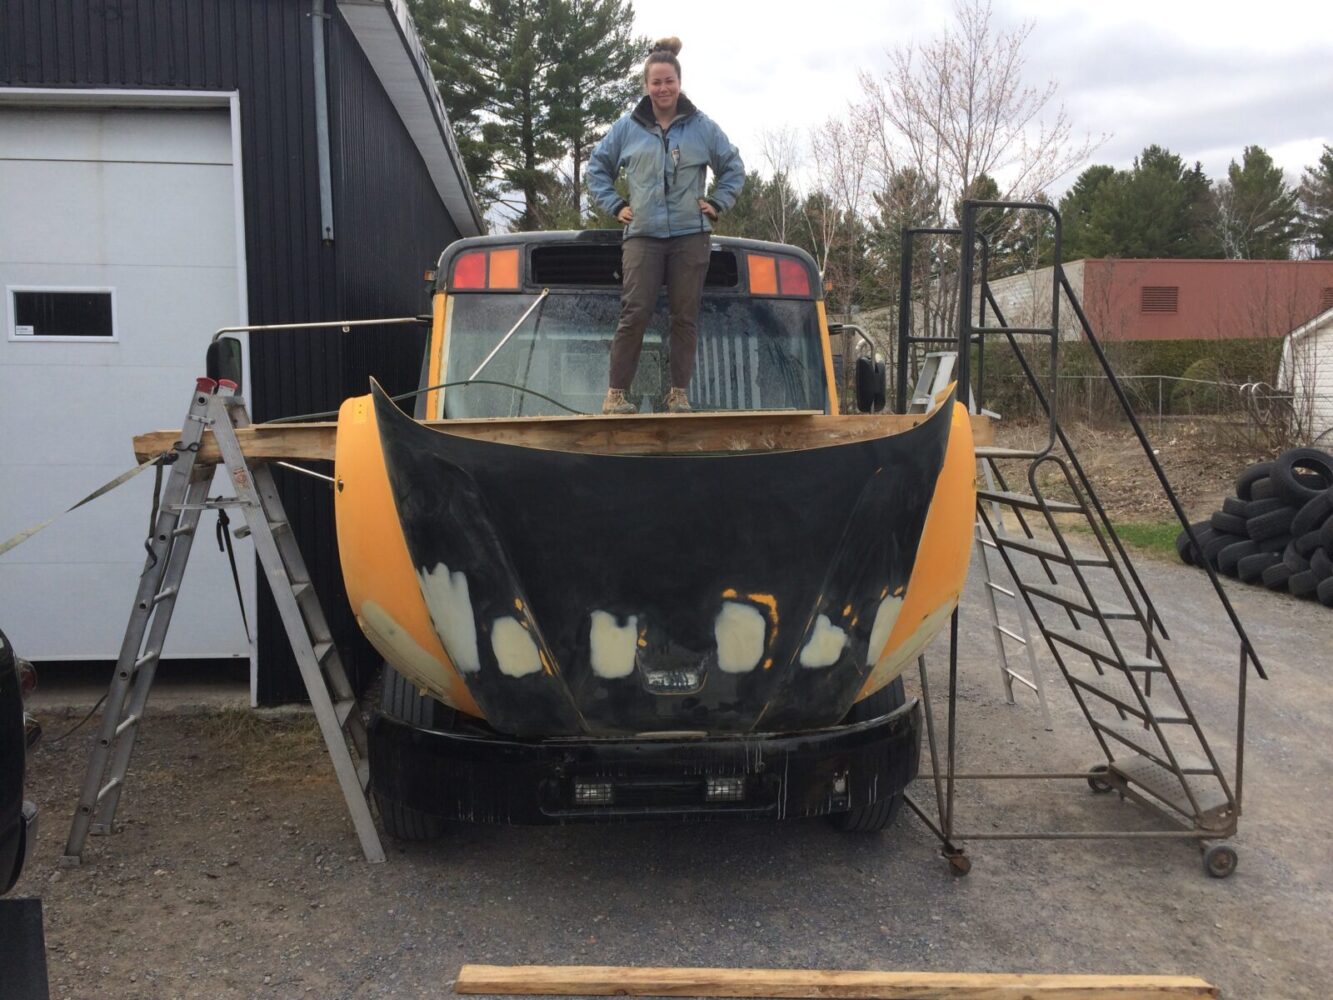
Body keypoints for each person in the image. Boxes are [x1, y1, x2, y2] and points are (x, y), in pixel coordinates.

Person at [586, 37, 744, 414]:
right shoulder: (627, 128)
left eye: (669, 81)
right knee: (635, 312)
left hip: (691, 235)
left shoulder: (702, 127)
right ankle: (615, 396)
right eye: (655, 82)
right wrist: (616, 205)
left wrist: (717, 202)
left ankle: (678, 395)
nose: (662, 88)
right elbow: (597, 168)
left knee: (684, 316)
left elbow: (733, 168)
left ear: (679, 82)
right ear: (646, 86)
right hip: (642, 235)